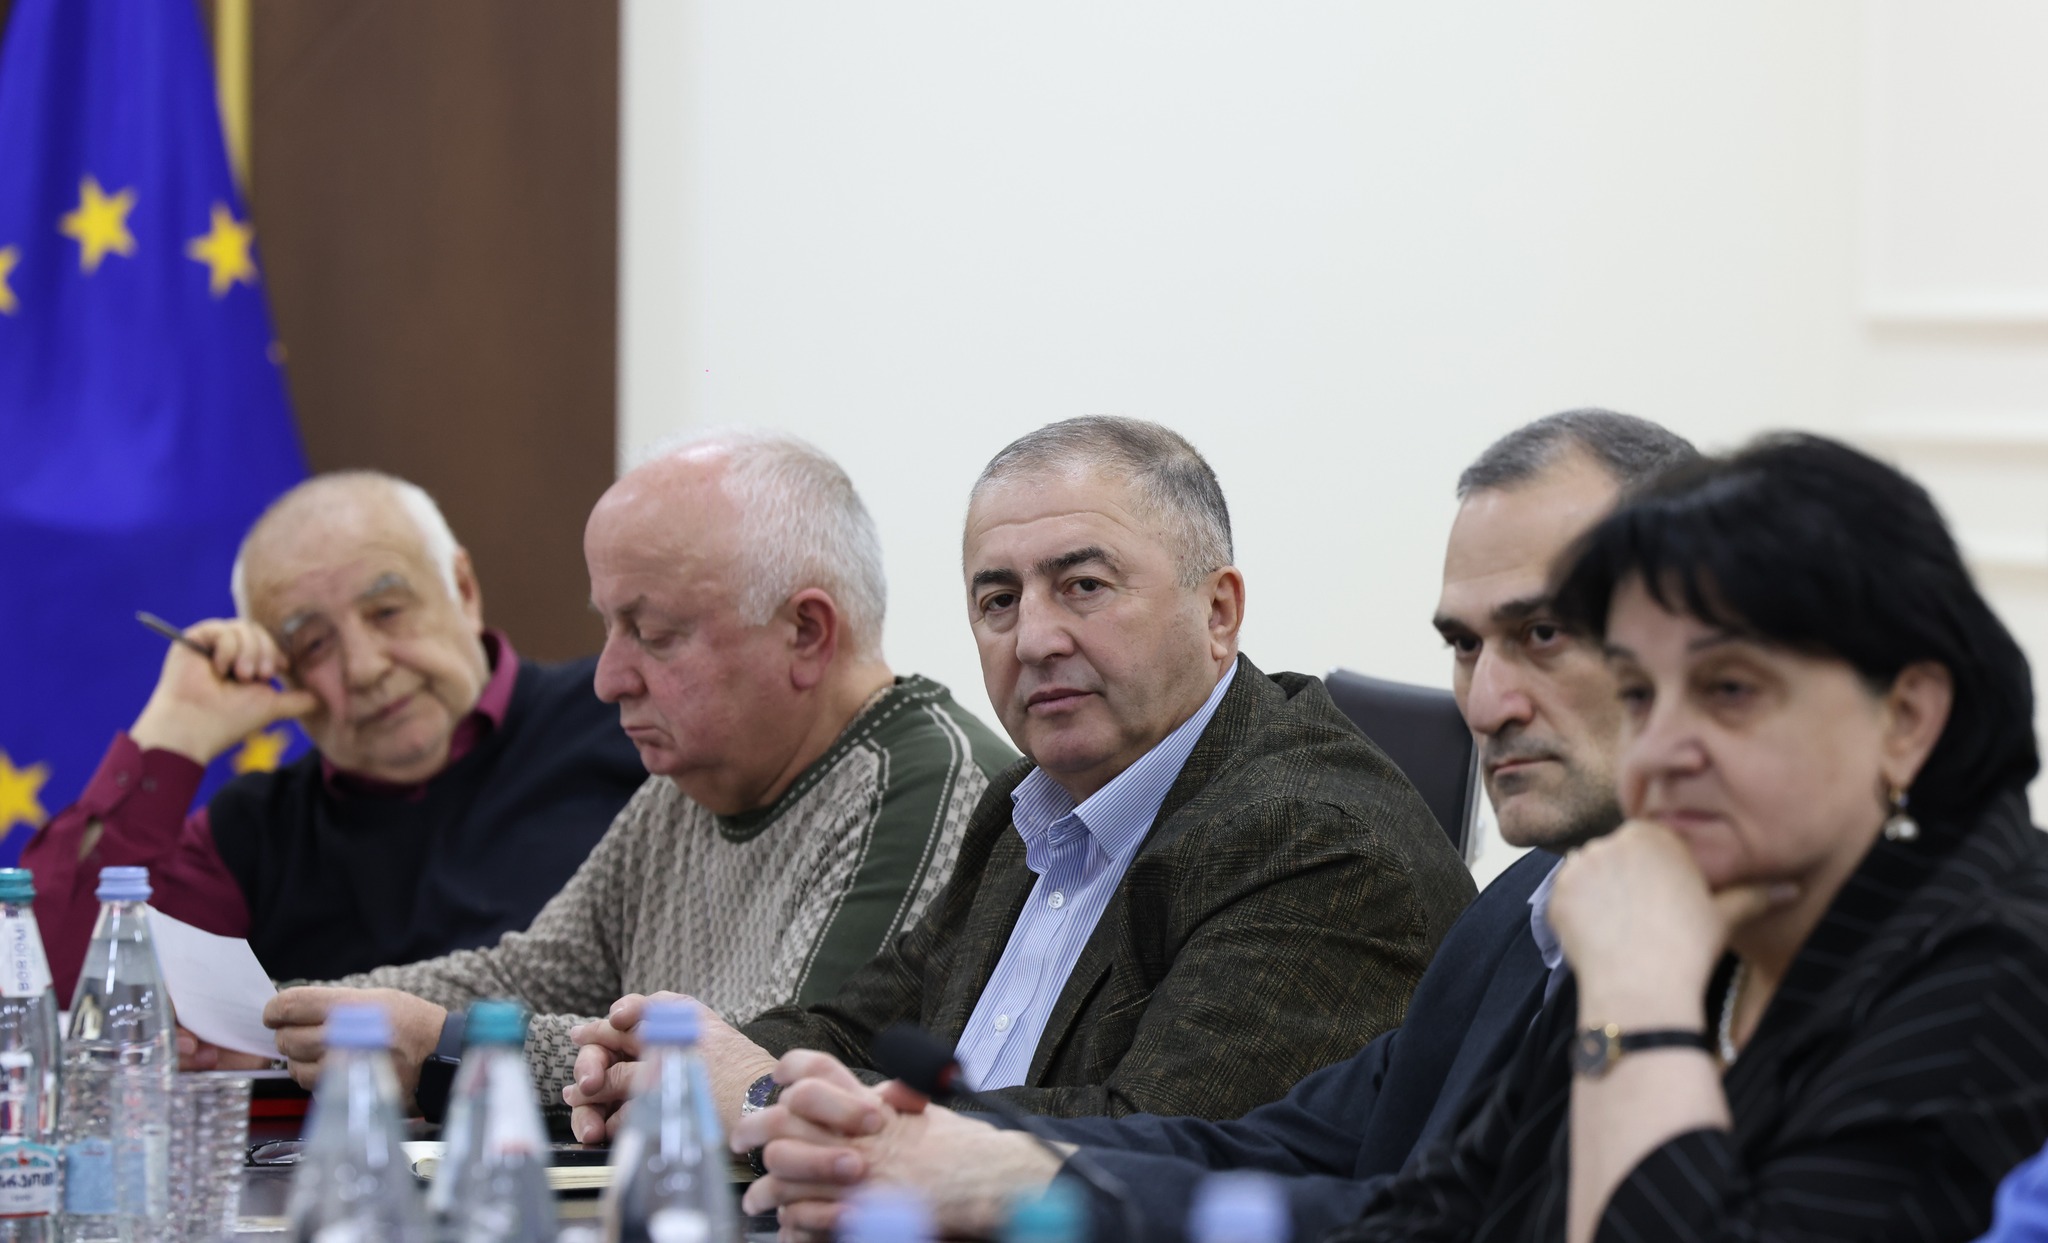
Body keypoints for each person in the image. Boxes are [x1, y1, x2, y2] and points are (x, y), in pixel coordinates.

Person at [733, 410, 1700, 1242]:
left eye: (1543, 634)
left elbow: (1426, 1216)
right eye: (1466, 646)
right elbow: (1289, 1149)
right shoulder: (1526, 910)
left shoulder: (1321, 835)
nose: (1485, 702)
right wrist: (950, 1151)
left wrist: (974, 1167)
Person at [562, 416, 1475, 1142]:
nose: (1034, 638)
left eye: (1083, 586)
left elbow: (1153, 1147)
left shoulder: (1315, 840)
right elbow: (854, 1027)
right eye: (999, 600)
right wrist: (674, 1061)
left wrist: (764, 1094)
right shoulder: (1028, 803)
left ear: (1219, 611)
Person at [1316, 433, 2048, 1242]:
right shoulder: (1701, 903)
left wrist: (1639, 1002)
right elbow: (1437, 1218)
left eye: (1728, 688)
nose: (1658, 750)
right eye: (1638, 694)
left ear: (1906, 718)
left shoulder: (2008, 972)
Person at [254, 431, 1017, 1120]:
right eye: (609, 626)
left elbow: (763, 1077)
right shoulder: (692, 781)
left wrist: (450, 1050)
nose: (608, 677)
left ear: (806, 631)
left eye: (652, 633)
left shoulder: (925, 791)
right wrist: (282, 1016)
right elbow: (535, 973)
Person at [24, 471, 647, 995]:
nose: (364, 668)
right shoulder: (255, 833)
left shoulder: (624, 723)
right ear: (279, 668)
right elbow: (56, 989)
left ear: (462, 589)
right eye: (313, 644)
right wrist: (174, 730)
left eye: (388, 612)